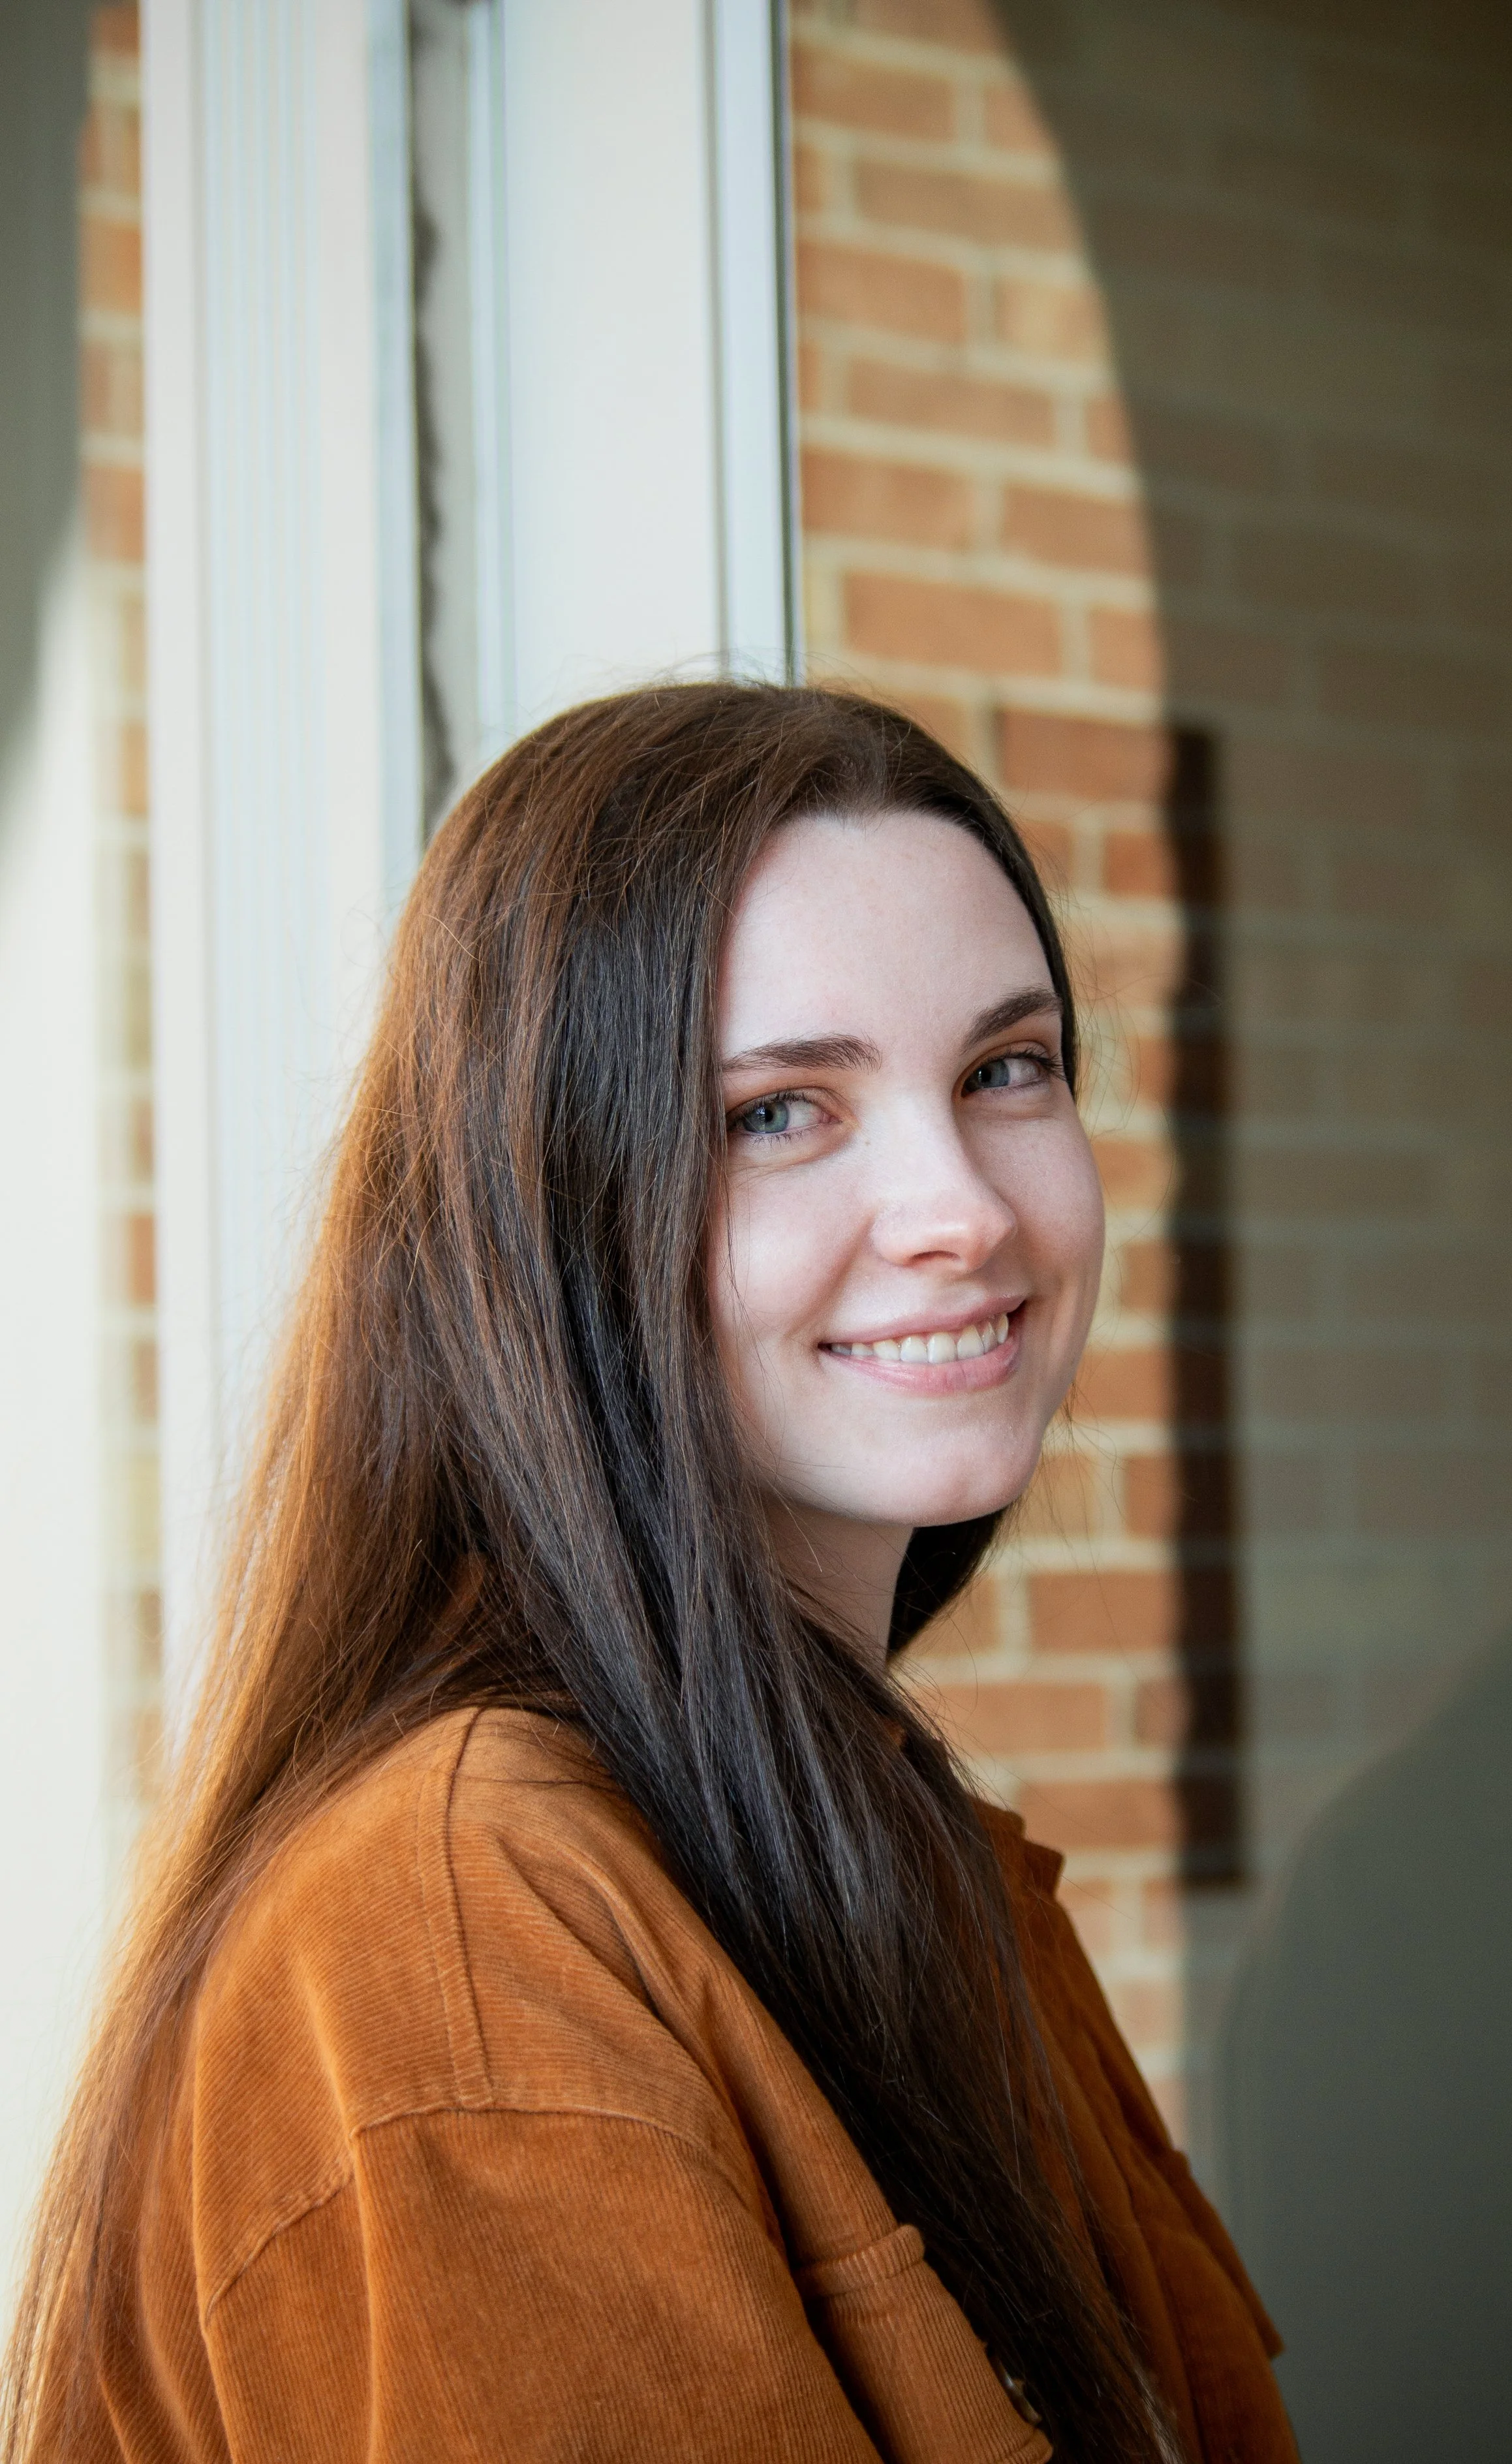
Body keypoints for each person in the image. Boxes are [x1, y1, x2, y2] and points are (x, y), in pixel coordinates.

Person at [3, 686, 1297, 2463]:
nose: (961, 1209)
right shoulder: (455, 1934)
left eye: (1005, 1069)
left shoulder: (880, 1845)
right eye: (781, 1111)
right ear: (550, 1202)